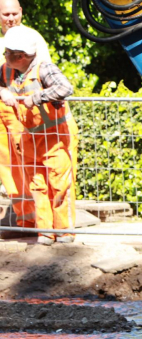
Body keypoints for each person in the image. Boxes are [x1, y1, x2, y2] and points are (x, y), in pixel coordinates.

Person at [0, 25, 77, 245]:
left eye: (7, 53)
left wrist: (38, 97)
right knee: (37, 186)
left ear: (21, 56)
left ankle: (64, 232)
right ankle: (45, 232)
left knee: (59, 184)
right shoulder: (7, 70)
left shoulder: (44, 69)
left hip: (54, 139)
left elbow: (65, 88)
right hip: (29, 139)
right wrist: (3, 91)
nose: (4, 56)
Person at [0, 0, 51, 239]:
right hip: (2, 107)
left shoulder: (33, 38)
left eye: (13, 13)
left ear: (21, 12)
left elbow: (45, 72)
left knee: (31, 163)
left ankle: (45, 222)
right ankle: (25, 220)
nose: (10, 18)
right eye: (5, 14)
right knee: (8, 167)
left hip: (23, 109)